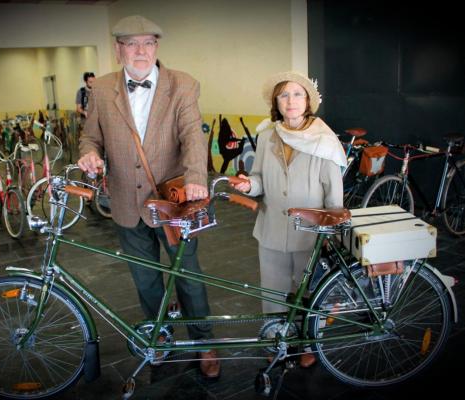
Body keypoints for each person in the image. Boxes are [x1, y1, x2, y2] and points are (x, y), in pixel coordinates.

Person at [77, 15, 220, 379]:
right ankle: (160, 337)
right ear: (118, 49)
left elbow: (191, 135)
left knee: (187, 275)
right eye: (131, 44)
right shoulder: (103, 88)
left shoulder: (182, 84)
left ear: (157, 47)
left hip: (173, 202)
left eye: (148, 43)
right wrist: (90, 153)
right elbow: (90, 136)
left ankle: (204, 342)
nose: (140, 51)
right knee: (146, 280)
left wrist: (196, 178)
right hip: (125, 203)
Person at [232, 71, 346, 368]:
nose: (290, 100)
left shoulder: (324, 139)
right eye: (284, 95)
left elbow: (334, 195)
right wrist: (249, 186)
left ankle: (309, 342)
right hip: (271, 228)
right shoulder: (268, 134)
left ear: (308, 100)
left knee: (309, 291)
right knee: (272, 289)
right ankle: (275, 338)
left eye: (297, 94)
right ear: (276, 102)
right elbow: (258, 179)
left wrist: (331, 233)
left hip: (309, 232)